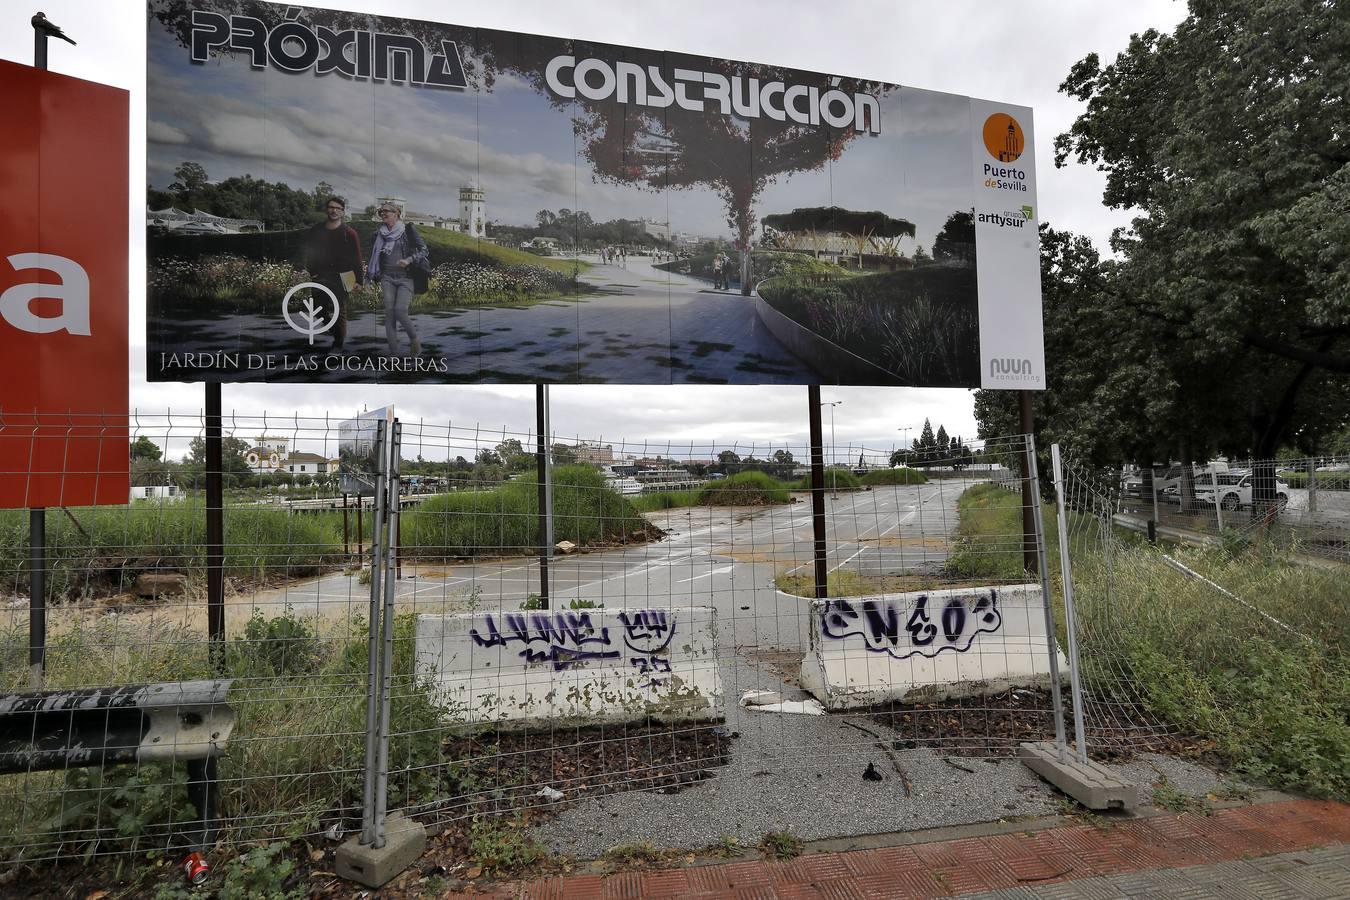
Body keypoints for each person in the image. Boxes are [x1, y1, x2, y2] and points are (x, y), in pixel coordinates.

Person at [301, 196, 363, 350]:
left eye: (338, 208)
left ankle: (338, 345)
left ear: (342, 212)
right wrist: (312, 271)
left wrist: (359, 281)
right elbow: (310, 253)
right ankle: (337, 334)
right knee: (318, 310)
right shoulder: (316, 230)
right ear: (326, 210)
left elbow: (357, 258)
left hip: (346, 276)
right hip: (321, 274)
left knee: (339, 311)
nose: (334, 210)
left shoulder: (350, 233)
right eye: (331, 207)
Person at [367, 203, 428, 356]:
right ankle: (394, 353)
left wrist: (409, 259)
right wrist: (367, 279)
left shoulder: (407, 231)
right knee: (389, 314)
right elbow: (373, 258)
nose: (383, 213)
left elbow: (424, 250)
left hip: (406, 277)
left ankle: (414, 340)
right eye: (381, 211)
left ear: (397, 214)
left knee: (400, 311)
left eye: (387, 211)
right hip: (387, 277)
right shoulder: (378, 234)